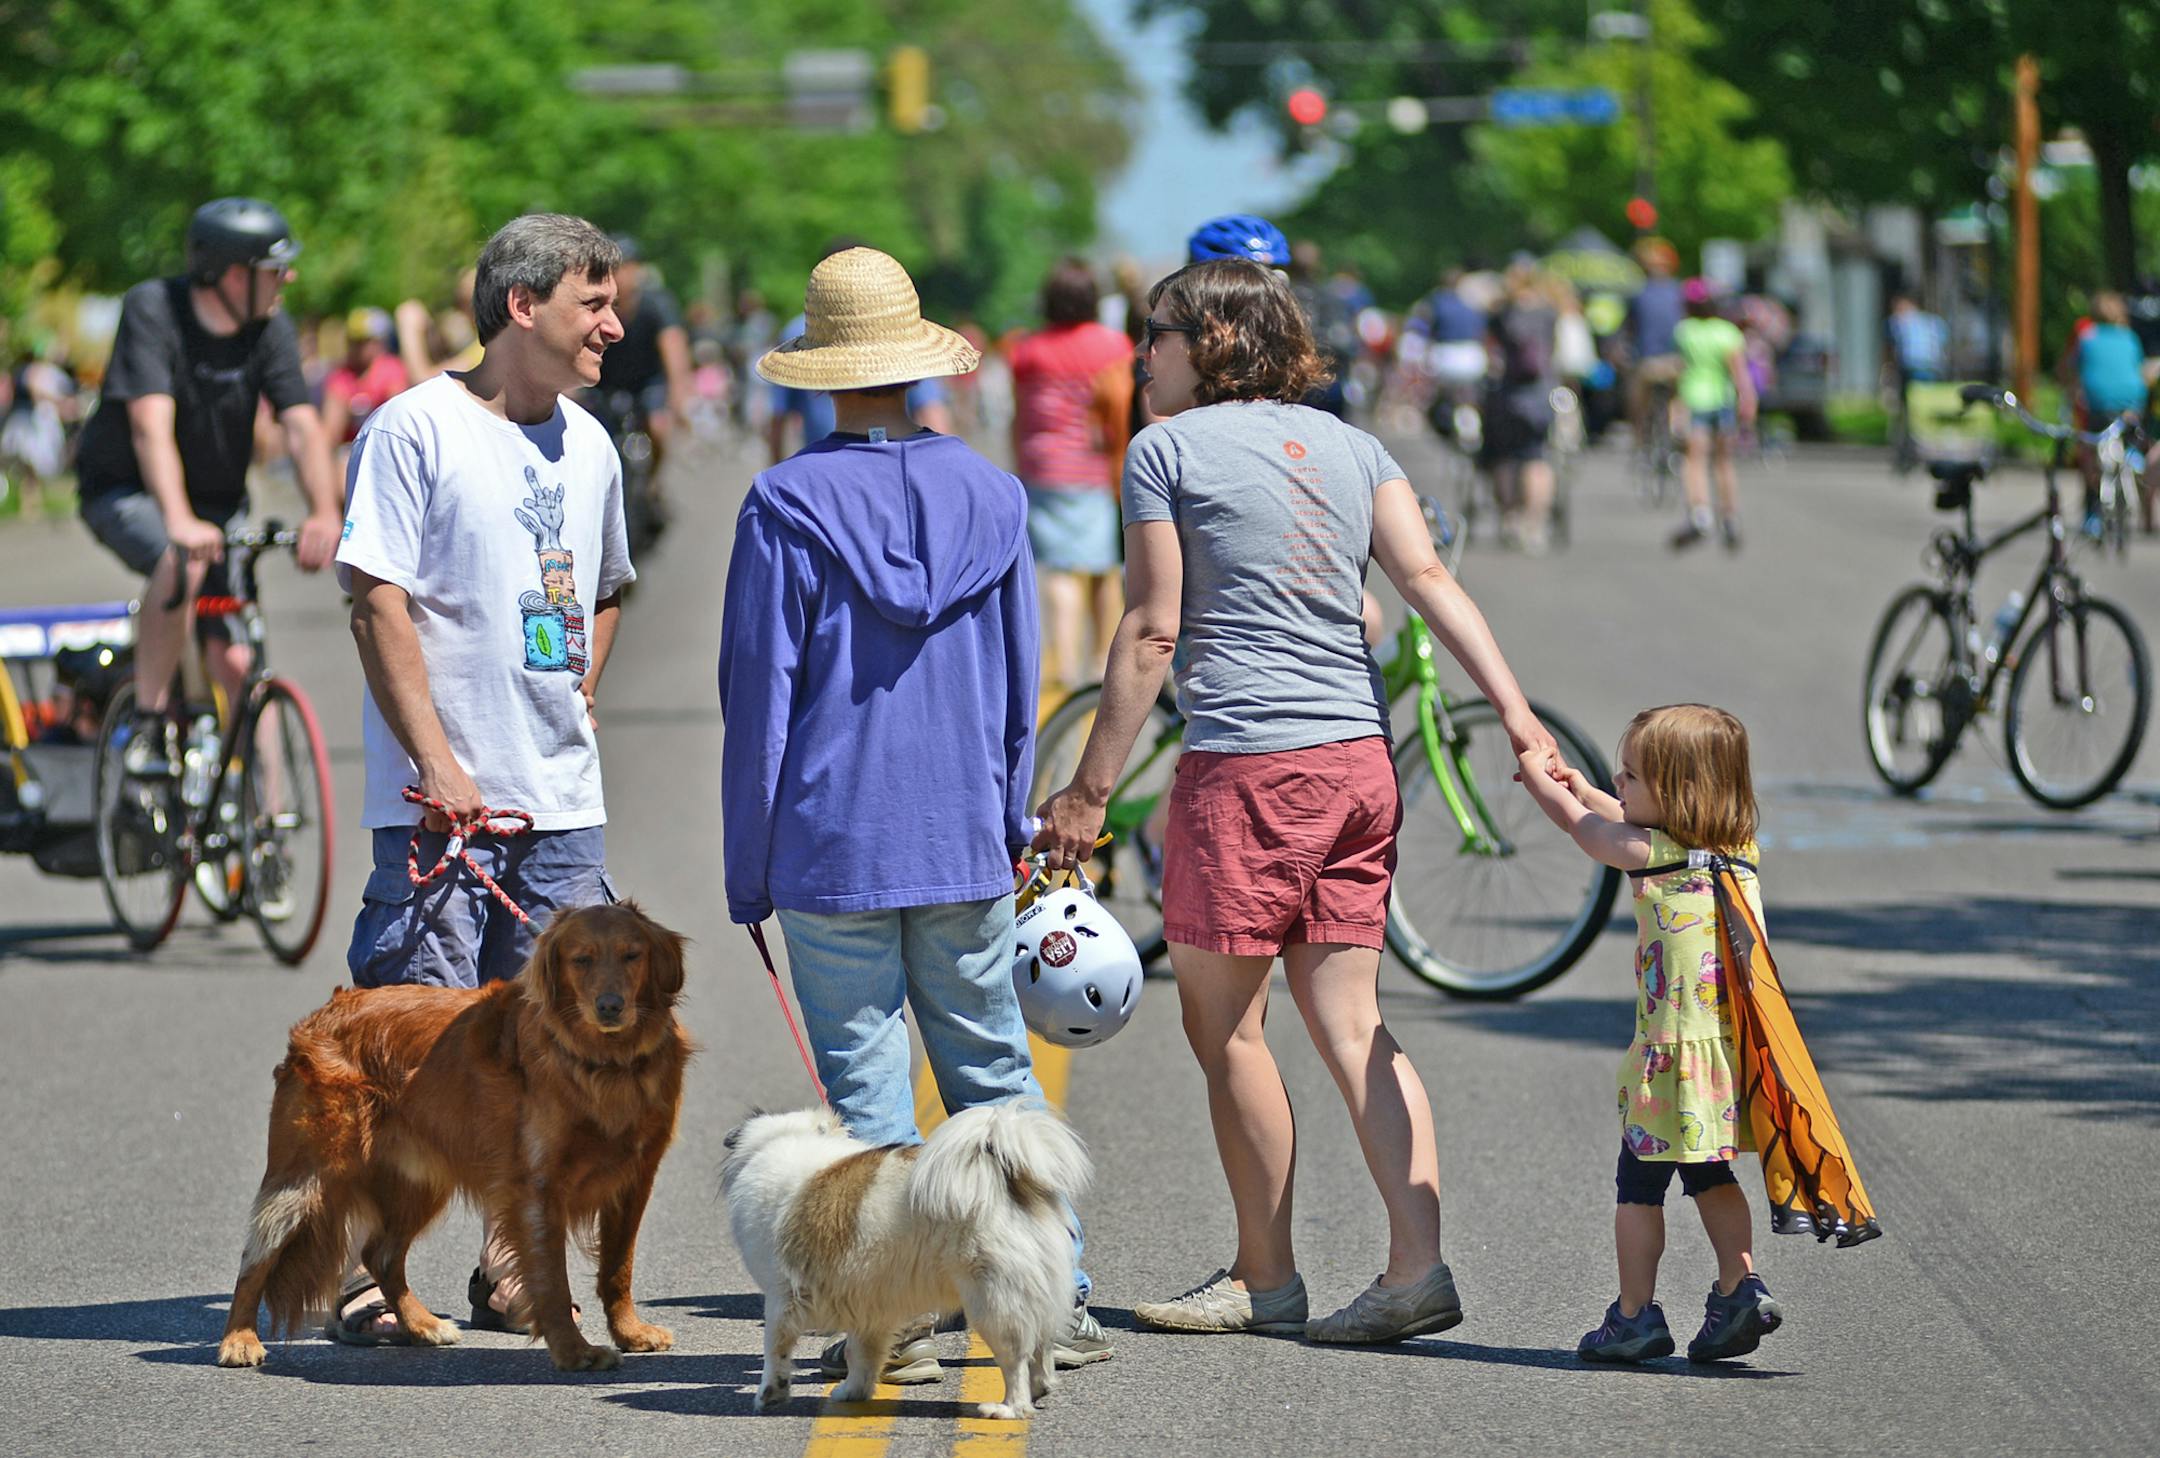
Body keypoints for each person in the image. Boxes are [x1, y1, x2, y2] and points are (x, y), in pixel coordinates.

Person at [1032, 257, 1561, 1344]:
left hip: (1249, 767)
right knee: (1355, 1020)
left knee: (1226, 1026)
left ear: (1214, 340)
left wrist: (1088, 792)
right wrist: (1516, 713)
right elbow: (1427, 584)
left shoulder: (1165, 451)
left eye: (1159, 333)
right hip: (1358, 760)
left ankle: (1265, 1280)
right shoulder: (1355, 446)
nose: (1143, 355)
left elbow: (1149, 630)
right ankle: (1416, 1267)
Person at [718, 246, 1110, 1385]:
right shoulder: (994, 495)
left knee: (867, 1095)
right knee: (995, 1077)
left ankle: (896, 1317)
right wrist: (1004, 817)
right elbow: (1016, 683)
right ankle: (1059, 1291)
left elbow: (760, 697)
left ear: (823, 374)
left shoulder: (786, 502)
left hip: (831, 842)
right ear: (922, 365)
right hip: (962, 836)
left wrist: (752, 867)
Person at [334, 213, 634, 1342]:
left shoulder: (592, 444)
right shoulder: (414, 428)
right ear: (522, 304)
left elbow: (605, 587)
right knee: (415, 1048)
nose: (614, 323)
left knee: (566, 1055)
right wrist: (441, 762)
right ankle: (369, 1261)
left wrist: (580, 694)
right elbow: (375, 599)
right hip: (441, 809)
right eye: (592, 303)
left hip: (562, 804)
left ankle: (514, 1266)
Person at [1513, 704, 1785, 1364]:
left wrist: (1544, 781)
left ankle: (1634, 1316)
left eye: (1630, 776)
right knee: (1711, 1177)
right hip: (1719, 1064)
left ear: (1676, 794)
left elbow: (1586, 830)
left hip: (1668, 1067)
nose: (1618, 783)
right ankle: (1739, 1286)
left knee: (1638, 1189)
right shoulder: (1736, 855)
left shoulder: (1647, 856)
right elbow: (1618, 814)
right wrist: (1589, 788)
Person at [73, 197, 343, 748]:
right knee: (181, 565)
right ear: (232, 276)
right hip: (127, 491)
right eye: (275, 269)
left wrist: (323, 511)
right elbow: (150, 425)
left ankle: (265, 823)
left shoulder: (269, 326)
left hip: (217, 504)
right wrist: (178, 520)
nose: (288, 277)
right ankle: (149, 723)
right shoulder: (154, 310)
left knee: (241, 663)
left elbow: (301, 424)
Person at [1007, 258, 1135, 692]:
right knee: (1103, 568)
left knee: (1060, 571)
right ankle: (1102, 661)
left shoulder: (1028, 350)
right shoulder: (1114, 346)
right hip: (1098, 467)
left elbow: (1020, 412)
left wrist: (1019, 463)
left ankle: (1063, 663)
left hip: (1043, 465)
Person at [765, 242, 957, 463]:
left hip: (823, 464)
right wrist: (943, 463)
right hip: (906, 457)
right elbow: (932, 409)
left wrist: (779, 469)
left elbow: (778, 417)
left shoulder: (782, 489)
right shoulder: (990, 482)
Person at [588, 235, 693, 494]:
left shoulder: (656, 304)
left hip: (649, 381)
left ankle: (653, 482)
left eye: (625, 267)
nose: (620, 275)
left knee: (657, 427)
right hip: (607, 381)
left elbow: (674, 349)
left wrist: (679, 397)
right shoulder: (595, 304)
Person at [2059, 290, 2158, 533]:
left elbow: (2069, 370)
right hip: (2131, 402)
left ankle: (2092, 511)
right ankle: (2134, 452)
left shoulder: (2087, 337)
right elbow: (2137, 369)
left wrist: (2072, 389)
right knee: (2130, 430)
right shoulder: (2129, 337)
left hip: (2099, 402)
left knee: (2090, 449)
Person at [1480, 260, 1561, 554]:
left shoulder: (1503, 313)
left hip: (1509, 394)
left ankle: (1509, 518)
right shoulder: (1549, 311)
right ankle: (1535, 524)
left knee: (1505, 457)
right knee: (1537, 458)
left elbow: (1491, 348)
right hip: (1541, 393)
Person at [1669, 280, 1755, 551]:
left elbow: (1680, 370)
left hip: (1694, 399)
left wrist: (1675, 406)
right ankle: (1729, 515)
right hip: (1722, 400)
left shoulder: (1685, 331)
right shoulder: (1727, 333)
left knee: (1694, 460)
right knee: (1723, 461)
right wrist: (1748, 400)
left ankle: (1700, 512)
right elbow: (1739, 373)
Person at [321, 308, 411, 471]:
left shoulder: (391, 369)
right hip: (350, 449)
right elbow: (331, 433)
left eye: (365, 341)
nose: (359, 348)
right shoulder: (340, 377)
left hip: (384, 445)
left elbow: (397, 417)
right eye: (354, 342)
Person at [1624, 239, 1686, 454]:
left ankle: (1640, 440)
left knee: (1636, 400)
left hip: (1648, 361)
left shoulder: (1638, 294)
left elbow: (1628, 330)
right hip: (1676, 360)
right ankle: (1677, 431)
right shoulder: (1679, 291)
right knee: (1678, 399)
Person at [1885, 293, 1948, 472]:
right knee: (1927, 410)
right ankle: (1929, 447)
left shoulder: (1899, 322)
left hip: (1911, 371)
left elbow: (1893, 349)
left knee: (1908, 413)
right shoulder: (1933, 322)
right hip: (1933, 371)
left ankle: (1910, 451)